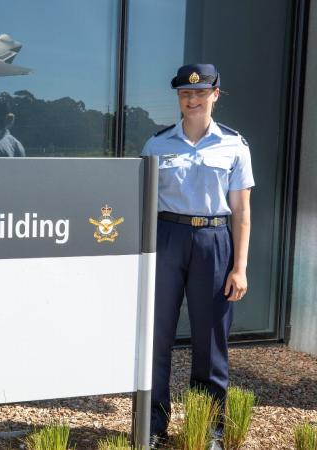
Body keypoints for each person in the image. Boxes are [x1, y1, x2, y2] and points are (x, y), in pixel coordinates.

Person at [141, 64, 254, 450]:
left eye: (201, 93)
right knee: (156, 337)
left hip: (213, 240)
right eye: (186, 94)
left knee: (211, 341)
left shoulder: (234, 146)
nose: (192, 100)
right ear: (178, 97)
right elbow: (141, 204)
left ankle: (209, 430)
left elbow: (241, 211)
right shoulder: (156, 144)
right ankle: (152, 427)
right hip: (166, 236)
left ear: (215, 95)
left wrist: (239, 267)